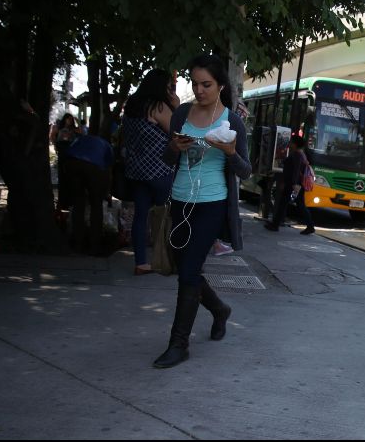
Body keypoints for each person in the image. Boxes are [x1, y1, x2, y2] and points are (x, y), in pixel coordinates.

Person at [153, 54, 251, 369]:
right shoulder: (181, 113)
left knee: (189, 272)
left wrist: (231, 152)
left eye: (206, 84)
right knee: (187, 271)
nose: (199, 90)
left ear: (221, 85)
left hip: (212, 206)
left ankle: (178, 344)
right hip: (180, 202)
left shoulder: (231, 121)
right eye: (194, 84)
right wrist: (174, 148)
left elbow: (246, 171)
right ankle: (220, 310)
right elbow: (167, 160)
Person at [122, 69, 180, 276]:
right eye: (167, 87)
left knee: (141, 215)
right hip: (160, 170)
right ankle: (169, 259)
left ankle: (141, 263)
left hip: (137, 171)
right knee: (172, 214)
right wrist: (177, 106)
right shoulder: (158, 106)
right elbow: (178, 132)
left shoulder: (131, 106)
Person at [62, 134, 114, 256]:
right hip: (94, 167)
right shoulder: (107, 147)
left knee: (78, 203)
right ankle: (94, 245)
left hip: (72, 163)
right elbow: (109, 172)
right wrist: (106, 192)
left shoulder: (81, 139)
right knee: (96, 205)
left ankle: (77, 243)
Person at [264, 135, 315, 235]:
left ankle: (276, 225)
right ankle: (276, 224)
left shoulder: (297, 154)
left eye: (292, 142)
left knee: (290, 204)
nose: (290, 143)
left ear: (295, 144)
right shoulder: (301, 153)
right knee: (289, 204)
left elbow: (295, 170)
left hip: (293, 184)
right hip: (295, 183)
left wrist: (294, 184)